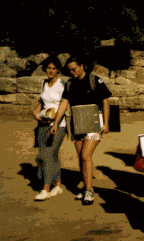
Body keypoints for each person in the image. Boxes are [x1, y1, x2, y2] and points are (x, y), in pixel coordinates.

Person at [50, 54, 112, 205]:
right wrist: (56, 123)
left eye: (74, 69)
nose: (72, 72)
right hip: (77, 124)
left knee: (85, 155)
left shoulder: (94, 80)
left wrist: (106, 123)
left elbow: (105, 102)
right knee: (81, 158)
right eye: (70, 70)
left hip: (93, 122)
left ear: (82, 66)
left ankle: (89, 191)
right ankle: (86, 187)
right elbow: (64, 104)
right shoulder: (70, 84)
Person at [32, 55, 67, 201]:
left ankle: (45, 189)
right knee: (51, 156)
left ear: (58, 70)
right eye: (49, 68)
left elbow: (64, 105)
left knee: (45, 156)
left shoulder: (62, 84)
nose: (51, 71)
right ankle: (58, 186)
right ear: (45, 69)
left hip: (58, 125)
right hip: (43, 124)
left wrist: (56, 122)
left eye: (54, 68)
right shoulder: (44, 83)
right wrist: (34, 112)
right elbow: (43, 101)